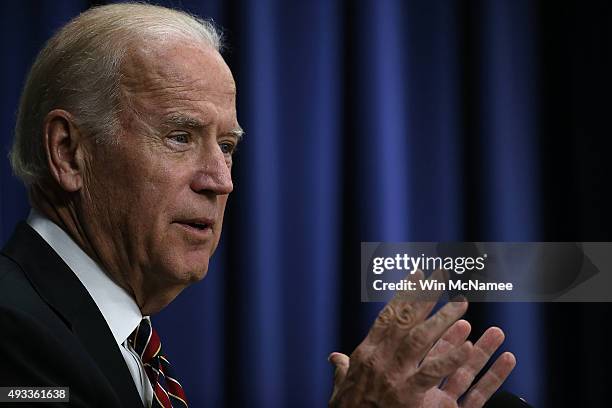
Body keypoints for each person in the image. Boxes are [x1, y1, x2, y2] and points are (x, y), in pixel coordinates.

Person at [0, 3, 515, 407]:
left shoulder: (122, 346)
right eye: (180, 137)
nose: (220, 182)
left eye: (227, 147)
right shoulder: (14, 334)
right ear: (69, 152)